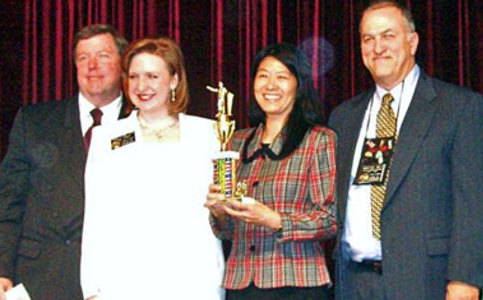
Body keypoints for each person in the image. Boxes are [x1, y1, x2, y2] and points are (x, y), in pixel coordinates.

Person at [328, 1, 483, 299]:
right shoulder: (343, 117)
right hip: (354, 284)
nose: (377, 47)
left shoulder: (459, 107)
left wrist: (465, 280)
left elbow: (473, 205)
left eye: (388, 35)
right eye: (368, 38)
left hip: (425, 282)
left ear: (412, 42)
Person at [0, 24, 128, 300]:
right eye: (83, 58)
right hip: (43, 279)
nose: (92, 66)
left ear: (123, 64)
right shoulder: (35, 122)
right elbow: (7, 202)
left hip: (118, 281)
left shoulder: (144, 127)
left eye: (103, 56)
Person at [80, 36, 225, 300]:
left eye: (152, 76)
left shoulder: (208, 134)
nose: (141, 86)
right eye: (134, 77)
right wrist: (92, 289)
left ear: (174, 79)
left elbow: (221, 213)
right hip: (125, 284)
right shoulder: (108, 138)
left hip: (194, 281)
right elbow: (96, 217)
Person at [205, 43, 337, 300]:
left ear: (298, 85)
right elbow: (227, 230)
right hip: (242, 283)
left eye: (281, 77)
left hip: (298, 284)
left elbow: (330, 220)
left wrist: (273, 219)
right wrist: (219, 211)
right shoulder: (236, 142)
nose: (270, 85)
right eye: (263, 75)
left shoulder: (319, 140)